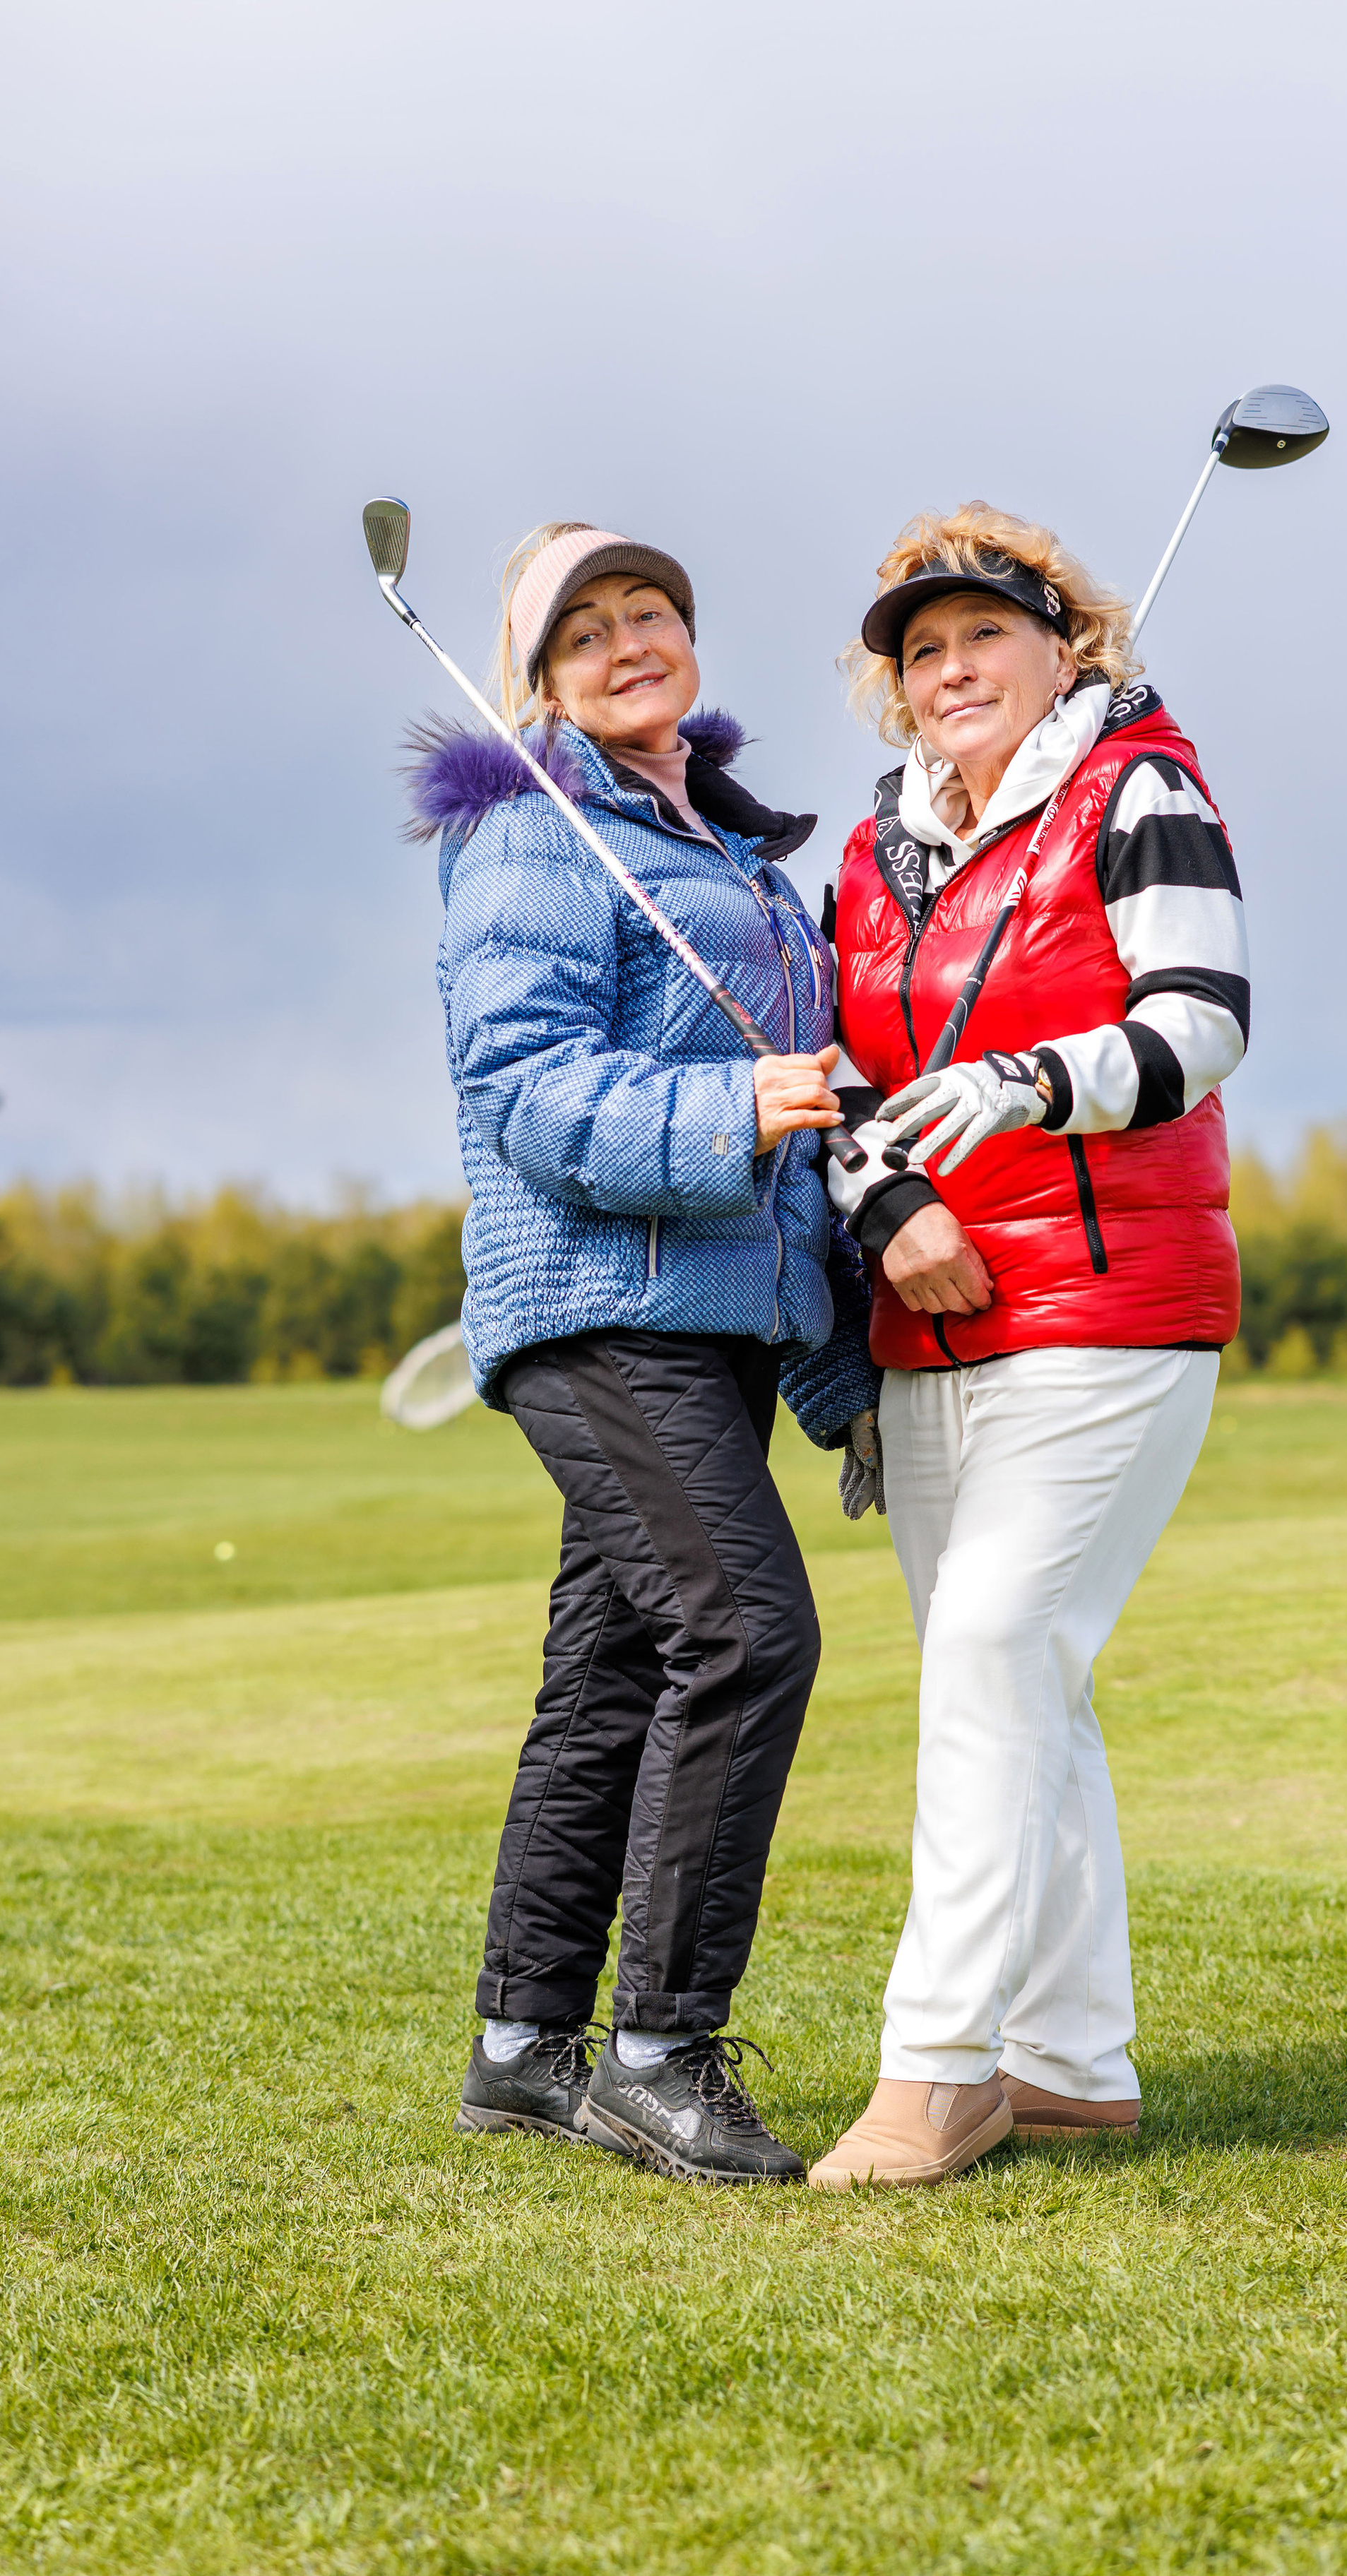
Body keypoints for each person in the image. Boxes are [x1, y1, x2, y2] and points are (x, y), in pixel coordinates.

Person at [406, 518, 879, 2183]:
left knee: (608, 1674)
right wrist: (728, 1103)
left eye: (651, 611)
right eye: (585, 628)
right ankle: (662, 2054)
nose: (629, 640)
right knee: (746, 1636)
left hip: (717, 1314)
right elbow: (523, 1090)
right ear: (534, 680)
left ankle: (523, 2046)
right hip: (599, 1306)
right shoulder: (540, 838)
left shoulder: (722, 849)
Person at [809, 504, 1248, 2190]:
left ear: (1064, 642)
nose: (946, 672)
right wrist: (885, 1200)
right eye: (917, 653)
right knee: (1022, 1685)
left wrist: (1024, 1081)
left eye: (980, 634)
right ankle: (1073, 2063)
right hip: (927, 1323)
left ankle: (936, 2071)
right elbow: (842, 1081)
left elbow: (1202, 1017)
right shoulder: (875, 856)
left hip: (1113, 1298)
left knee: (992, 1646)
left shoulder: (1136, 787)